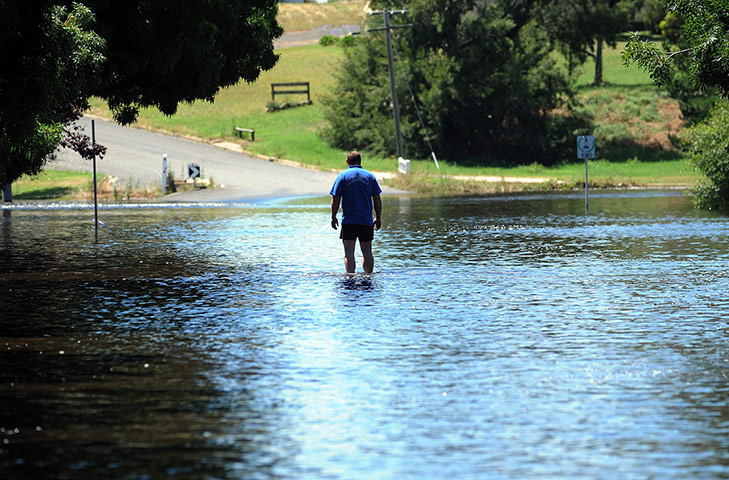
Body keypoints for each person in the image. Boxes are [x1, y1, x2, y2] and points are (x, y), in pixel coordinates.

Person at [330, 151, 382, 273]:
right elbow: (377, 200)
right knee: (367, 251)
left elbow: (336, 199)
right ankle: (368, 277)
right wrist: (378, 218)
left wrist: (333, 217)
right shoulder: (370, 176)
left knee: (349, 252)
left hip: (349, 221)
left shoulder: (342, 176)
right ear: (360, 161)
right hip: (366, 221)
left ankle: (350, 277)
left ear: (347, 162)